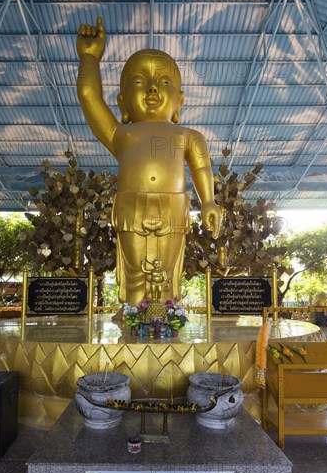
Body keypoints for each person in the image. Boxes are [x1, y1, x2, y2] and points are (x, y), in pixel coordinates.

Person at [76, 17, 223, 305]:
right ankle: (133, 319)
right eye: (140, 82)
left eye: (164, 82)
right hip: (131, 208)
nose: (153, 89)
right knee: (135, 272)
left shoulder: (189, 136)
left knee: (165, 273)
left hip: (173, 207)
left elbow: (202, 168)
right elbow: (88, 96)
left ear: (179, 101)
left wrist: (208, 201)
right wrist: (89, 58)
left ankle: (166, 319)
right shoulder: (121, 134)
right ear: (122, 103)